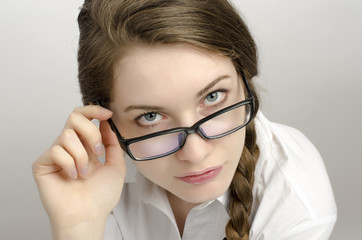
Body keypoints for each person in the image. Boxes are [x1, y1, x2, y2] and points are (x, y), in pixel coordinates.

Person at [32, 0, 337, 239]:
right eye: (150, 117)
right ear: (105, 120)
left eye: (213, 97)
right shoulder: (94, 182)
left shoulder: (295, 203)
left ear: (245, 78)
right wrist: (79, 227)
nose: (195, 153)